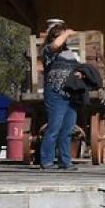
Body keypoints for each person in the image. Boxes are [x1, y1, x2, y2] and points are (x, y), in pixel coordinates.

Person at [38, 22, 81, 169]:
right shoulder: (48, 51)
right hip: (55, 93)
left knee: (67, 129)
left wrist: (80, 74)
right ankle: (46, 161)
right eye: (60, 35)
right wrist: (67, 32)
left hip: (70, 94)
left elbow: (78, 67)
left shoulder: (70, 54)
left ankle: (65, 161)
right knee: (54, 127)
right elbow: (55, 45)